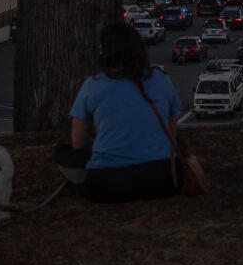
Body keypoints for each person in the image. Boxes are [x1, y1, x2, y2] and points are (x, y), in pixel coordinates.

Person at [54, 22, 185, 203]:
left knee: (64, 152)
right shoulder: (161, 80)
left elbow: (78, 143)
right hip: (163, 179)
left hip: (107, 184)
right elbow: (171, 133)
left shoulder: (92, 85)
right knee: (179, 143)